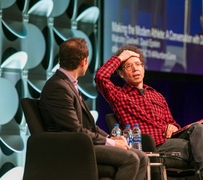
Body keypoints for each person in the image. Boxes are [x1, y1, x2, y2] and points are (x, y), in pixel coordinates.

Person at [95, 45, 203, 180]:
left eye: (138, 64)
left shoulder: (157, 95)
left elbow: (171, 122)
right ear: (121, 73)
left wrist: (173, 126)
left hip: (170, 140)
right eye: (128, 66)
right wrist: (120, 57)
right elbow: (100, 77)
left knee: (199, 129)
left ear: (143, 68)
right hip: (152, 145)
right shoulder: (119, 96)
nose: (135, 68)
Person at [38, 38, 148, 180]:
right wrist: (112, 144)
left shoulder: (68, 84)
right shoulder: (58, 87)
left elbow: (89, 125)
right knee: (131, 158)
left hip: (82, 143)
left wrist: (110, 138)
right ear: (84, 61)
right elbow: (75, 131)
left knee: (141, 157)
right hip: (71, 148)